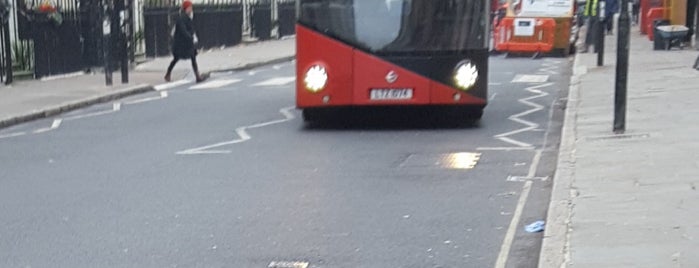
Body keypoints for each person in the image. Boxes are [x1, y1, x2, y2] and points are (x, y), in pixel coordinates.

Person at [164, 0, 203, 83]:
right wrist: (190, 37)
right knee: (176, 59)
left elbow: (191, 29)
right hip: (180, 44)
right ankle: (168, 73)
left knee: (193, 57)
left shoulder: (189, 18)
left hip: (187, 44)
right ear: (186, 8)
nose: (191, 9)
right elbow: (183, 30)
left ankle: (197, 76)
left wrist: (193, 37)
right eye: (190, 7)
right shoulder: (181, 19)